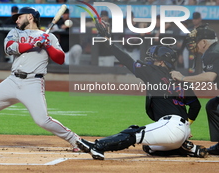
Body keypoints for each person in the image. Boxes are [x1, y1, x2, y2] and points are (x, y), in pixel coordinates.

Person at [76, 22, 207, 160]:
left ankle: (97, 147)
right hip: (181, 131)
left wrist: (109, 42)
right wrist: (187, 126)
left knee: (134, 133)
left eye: (154, 59)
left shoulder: (154, 72)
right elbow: (195, 105)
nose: (151, 61)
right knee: (148, 147)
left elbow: (127, 60)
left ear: (162, 62)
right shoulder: (180, 79)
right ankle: (187, 149)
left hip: (170, 127)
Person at [0, 7, 80, 151]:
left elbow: (60, 59)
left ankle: (76, 140)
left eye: (19, 17)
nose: (16, 20)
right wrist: (33, 44)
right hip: (13, 81)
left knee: (42, 120)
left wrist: (47, 45)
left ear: (30, 17)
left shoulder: (49, 37)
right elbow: (9, 48)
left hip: (33, 83)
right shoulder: (15, 32)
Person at [171, 24, 219, 155]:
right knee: (213, 105)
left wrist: (182, 78)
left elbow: (210, 77)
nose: (193, 44)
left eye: (195, 41)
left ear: (203, 42)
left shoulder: (213, 52)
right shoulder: (214, 50)